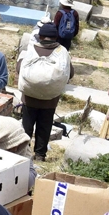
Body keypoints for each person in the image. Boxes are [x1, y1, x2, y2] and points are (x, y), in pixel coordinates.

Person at [17, 23, 72, 160]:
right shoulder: (62, 52)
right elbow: (69, 73)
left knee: (27, 126)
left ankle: (24, 152)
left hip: (29, 98)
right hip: (50, 99)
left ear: (40, 36)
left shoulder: (31, 49)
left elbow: (20, 68)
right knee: (45, 126)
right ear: (56, 37)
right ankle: (40, 154)